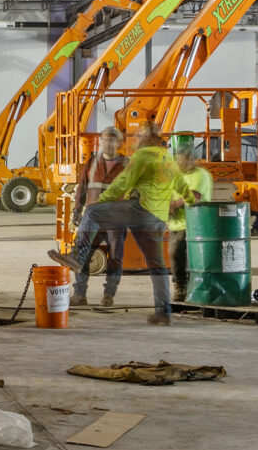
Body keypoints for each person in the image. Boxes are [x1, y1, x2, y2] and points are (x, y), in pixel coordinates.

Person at [91, 134, 184, 325]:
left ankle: (78, 256)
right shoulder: (167, 162)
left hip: (142, 215)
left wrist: (102, 201)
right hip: (157, 217)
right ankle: (163, 311)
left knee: (93, 214)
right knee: (157, 265)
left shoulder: (141, 159)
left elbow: (123, 185)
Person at [49, 132, 131, 288]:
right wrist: (77, 211)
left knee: (115, 256)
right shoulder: (92, 162)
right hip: (95, 216)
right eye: (104, 141)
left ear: (118, 144)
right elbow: (82, 187)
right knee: (83, 249)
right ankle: (79, 290)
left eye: (111, 141)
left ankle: (109, 293)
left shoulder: (127, 164)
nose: (107, 144)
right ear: (100, 142)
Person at [167, 136, 216, 285]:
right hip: (176, 223)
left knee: (180, 254)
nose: (177, 163)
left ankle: (183, 285)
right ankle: (182, 284)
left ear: (190, 159)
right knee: (176, 256)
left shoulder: (200, 175)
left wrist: (174, 204)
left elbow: (194, 196)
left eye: (180, 160)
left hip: (193, 224)